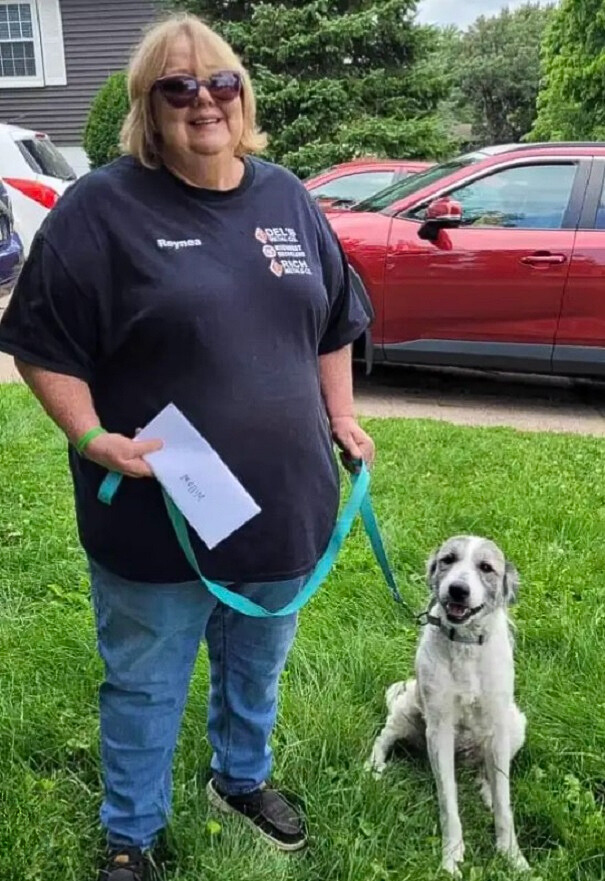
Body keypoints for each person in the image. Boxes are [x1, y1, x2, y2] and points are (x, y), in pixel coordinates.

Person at [0, 12, 374, 881]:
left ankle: (239, 778)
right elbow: (41, 342)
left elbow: (333, 320)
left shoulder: (285, 194)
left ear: (243, 96)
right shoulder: (104, 207)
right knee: (145, 680)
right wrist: (93, 438)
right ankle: (129, 834)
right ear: (148, 106)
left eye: (221, 82)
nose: (203, 100)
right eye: (178, 86)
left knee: (257, 662)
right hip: (156, 510)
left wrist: (342, 414)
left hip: (282, 504)